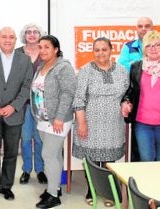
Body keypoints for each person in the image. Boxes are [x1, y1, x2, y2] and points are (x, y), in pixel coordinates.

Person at [72, 37, 129, 207]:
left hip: (113, 124)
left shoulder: (121, 70)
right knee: (91, 160)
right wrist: (82, 123)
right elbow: (78, 99)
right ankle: (91, 189)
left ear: (111, 50)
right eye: (97, 50)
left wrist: (127, 103)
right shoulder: (85, 71)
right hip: (90, 123)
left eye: (104, 49)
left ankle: (109, 191)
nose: (100, 53)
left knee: (108, 160)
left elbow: (127, 93)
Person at [0, 27, 33, 201]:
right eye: (4, 37)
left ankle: (6, 186)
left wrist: (14, 106)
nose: (7, 40)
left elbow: (26, 86)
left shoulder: (25, 60)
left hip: (13, 115)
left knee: (10, 153)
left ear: (16, 39)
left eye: (11, 37)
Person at [121, 30, 160, 162]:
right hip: (142, 124)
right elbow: (131, 90)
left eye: (157, 45)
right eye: (149, 45)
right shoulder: (136, 67)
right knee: (146, 161)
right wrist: (126, 101)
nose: (153, 48)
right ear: (144, 49)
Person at [31, 35, 75, 209]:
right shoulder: (42, 66)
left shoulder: (63, 67)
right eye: (40, 47)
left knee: (48, 155)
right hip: (43, 119)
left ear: (56, 49)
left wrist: (59, 117)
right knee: (54, 156)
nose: (42, 50)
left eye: (46, 47)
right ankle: (54, 187)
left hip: (58, 120)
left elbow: (68, 93)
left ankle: (53, 196)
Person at [118, 17, 154, 162]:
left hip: (154, 99)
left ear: (152, 28)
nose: (143, 29)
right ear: (136, 29)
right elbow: (122, 66)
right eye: (140, 26)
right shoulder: (129, 46)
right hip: (134, 96)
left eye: (147, 26)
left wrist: (136, 65)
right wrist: (142, 64)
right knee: (136, 142)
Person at [17, 23, 47, 185]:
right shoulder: (17, 53)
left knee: (40, 138)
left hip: (42, 103)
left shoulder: (45, 51)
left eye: (36, 32)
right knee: (26, 138)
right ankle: (26, 169)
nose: (32, 34)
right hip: (23, 104)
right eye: (29, 32)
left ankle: (40, 170)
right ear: (24, 35)